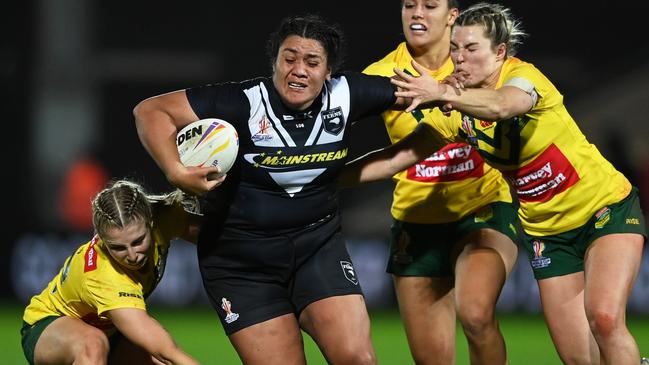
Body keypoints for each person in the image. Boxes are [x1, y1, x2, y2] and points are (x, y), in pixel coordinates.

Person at [345, 3, 647, 364]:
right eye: (455, 49)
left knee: (604, 317)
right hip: (547, 233)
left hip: (604, 208)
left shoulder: (523, 77)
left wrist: (443, 93)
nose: (459, 58)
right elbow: (403, 154)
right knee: (579, 358)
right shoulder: (456, 112)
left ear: (500, 52)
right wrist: (330, 178)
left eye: (471, 49)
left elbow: (504, 105)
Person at [132, 14, 418, 365]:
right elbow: (151, 111)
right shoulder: (242, 102)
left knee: (357, 359)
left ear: (329, 72)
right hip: (241, 265)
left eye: (312, 62)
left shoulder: (348, 94)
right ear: (275, 62)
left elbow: (425, 94)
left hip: (317, 249)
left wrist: (453, 97)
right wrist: (176, 171)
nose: (298, 69)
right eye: (289, 58)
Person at [361, 1, 518, 364]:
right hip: (416, 221)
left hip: (483, 208)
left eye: (430, 5)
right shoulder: (380, 75)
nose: (417, 12)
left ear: (452, 15)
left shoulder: (475, 60)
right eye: (409, 5)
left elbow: (510, 104)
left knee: (477, 315)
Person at [21, 180, 203, 365]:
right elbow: (166, 350)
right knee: (93, 346)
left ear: (151, 221)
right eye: (118, 247)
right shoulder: (103, 276)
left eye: (138, 241)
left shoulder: (163, 219)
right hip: (48, 327)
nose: (132, 256)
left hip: (109, 329)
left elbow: (217, 235)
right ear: (102, 240)